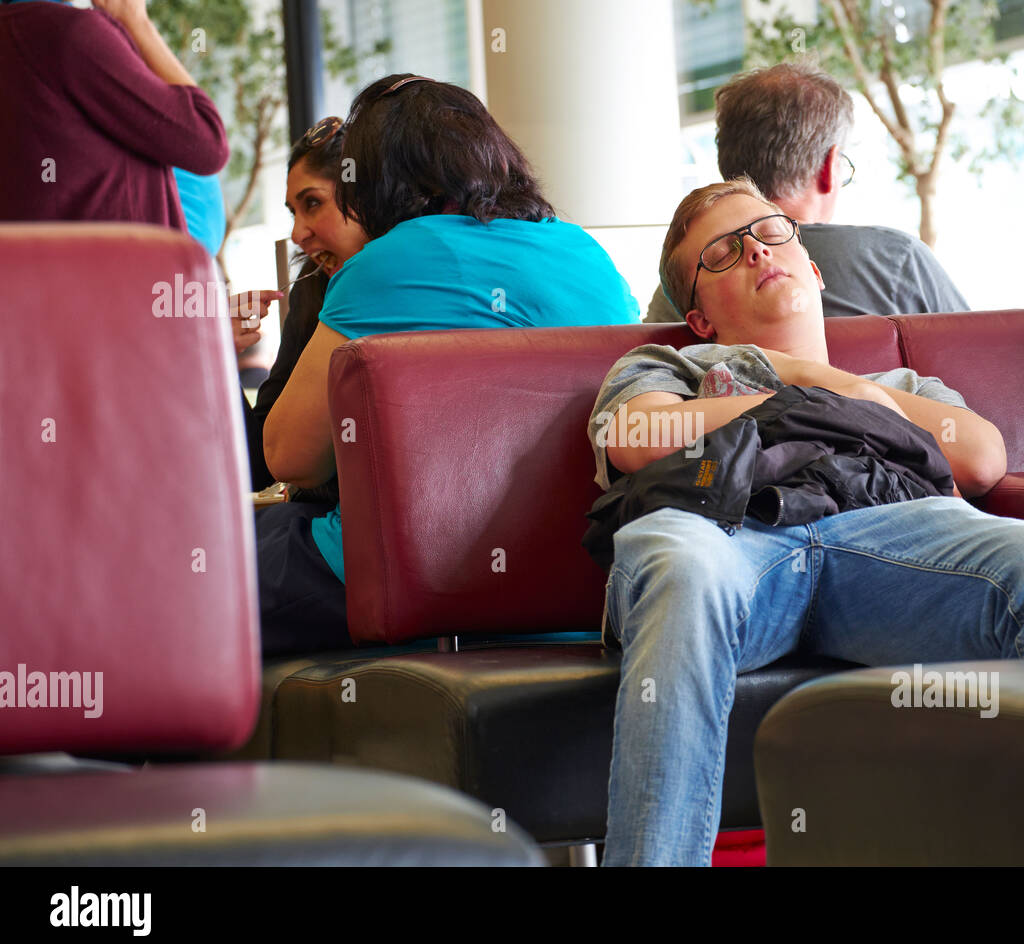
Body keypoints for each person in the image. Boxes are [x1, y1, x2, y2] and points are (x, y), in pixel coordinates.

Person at [591, 178, 1024, 866]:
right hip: (728, 538)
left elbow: (981, 458)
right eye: (722, 252)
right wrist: (787, 391)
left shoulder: (899, 386)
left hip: (888, 551)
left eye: (771, 233)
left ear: (811, 264)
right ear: (701, 317)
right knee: (682, 566)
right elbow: (639, 434)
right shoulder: (675, 364)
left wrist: (835, 386)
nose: (754, 252)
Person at [257, 76, 640, 657]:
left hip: (422, 579)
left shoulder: (393, 259)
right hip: (584, 585)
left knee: (190, 570)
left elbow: (288, 455)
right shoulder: (585, 251)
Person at [645, 62, 968, 322]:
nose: (759, 254)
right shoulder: (896, 260)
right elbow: (981, 367)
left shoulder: (683, 287)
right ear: (830, 168)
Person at [0, 0, 227, 228]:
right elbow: (209, 145)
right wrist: (137, 22)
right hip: (121, 259)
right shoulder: (71, 34)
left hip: (48, 259)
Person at [241, 116, 369, 501]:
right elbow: (259, 464)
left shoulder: (427, 282)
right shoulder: (314, 288)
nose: (297, 233)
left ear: (370, 196)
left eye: (313, 203)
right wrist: (218, 358)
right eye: (293, 212)